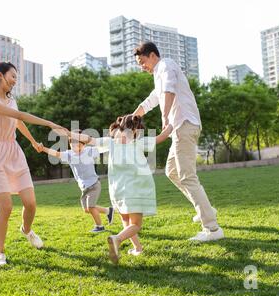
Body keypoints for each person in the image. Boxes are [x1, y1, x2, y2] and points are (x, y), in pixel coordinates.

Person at [132, 42, 224, 242]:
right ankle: (206, 209)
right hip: (181, 129)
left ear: (153, 55)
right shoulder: (159, 74)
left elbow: (169, 91)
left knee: (187, 176)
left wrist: (165, 117)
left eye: (143, 62)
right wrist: (133, 116)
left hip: (184, 125)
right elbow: (152, 99)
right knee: (172, 172)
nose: (142, 67)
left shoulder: (166, 65)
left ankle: (212, 229)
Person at [0, 62, 63, 268]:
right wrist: (50, 124)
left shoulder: (10, 100)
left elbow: (18, 122)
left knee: (30, 203)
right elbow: (20, 116)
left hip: (14, 153)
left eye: (16, 77)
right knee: (5, 208)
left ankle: (26, 230)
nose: (15, 80)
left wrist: (33, 142)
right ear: (0, 75)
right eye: (12, 76)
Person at [62, 115, 173, 264]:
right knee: (136, 224)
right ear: (134, 130)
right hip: (135, 189)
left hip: (117, 191)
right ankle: (117, 239)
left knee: (125, 219)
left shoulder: (110, 143)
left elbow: (89, 139)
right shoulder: (138, 143)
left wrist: (69, 134)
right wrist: (171, 124)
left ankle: (137, 248)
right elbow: (161, 137)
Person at [38, 130, 114, 233]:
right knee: (86, 209)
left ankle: (99, 226)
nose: (75, 148)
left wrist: (115, 140)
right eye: (72, 146)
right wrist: (43, 149)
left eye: (78, 146)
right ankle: (108, 210)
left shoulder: (89, 151)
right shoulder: (69, 155)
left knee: (91, 207)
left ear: (84, 144)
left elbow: (106, 146)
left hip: (94, 184)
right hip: (84, 187)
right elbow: (56, 153)